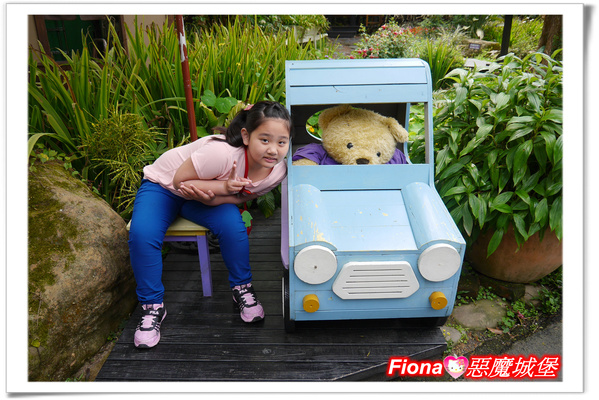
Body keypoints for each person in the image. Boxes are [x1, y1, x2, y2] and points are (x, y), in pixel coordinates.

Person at [128, 101, 293, 348]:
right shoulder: (222, 153)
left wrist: (213, 198)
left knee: (233, 226)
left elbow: (241, 198)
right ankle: (152, 306)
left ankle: (242, 288)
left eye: (281, 142)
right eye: (265, 140)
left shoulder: (277, 172)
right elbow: (179, 181)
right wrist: (224, 186)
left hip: (206, 197)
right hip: (165, 187)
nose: (273, 150)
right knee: (143, 235)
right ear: (246, 136)